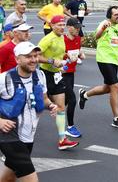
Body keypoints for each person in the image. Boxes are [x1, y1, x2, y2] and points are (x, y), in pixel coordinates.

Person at [0, 41, 57, 182]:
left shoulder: (40, 76)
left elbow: (43, 99)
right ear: (17, 59)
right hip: (8, 136)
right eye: (28, 57)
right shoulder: (4, 79)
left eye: (35, 56)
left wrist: (51, 105)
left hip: (28, 136)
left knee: (9, 177)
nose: (33, 60)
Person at [78, 6, 118, 129]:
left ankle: (84, 94)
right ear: (110, 16)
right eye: (115, 15)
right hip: (104, 58)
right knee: (115, 86)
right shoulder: (105, 23)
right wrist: (103, 28)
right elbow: (96, 37)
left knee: (108, 88)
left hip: (114, 60)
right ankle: (116, 119)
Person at [38, 15, 79, 150]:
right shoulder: (47, 39)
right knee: (36, 106)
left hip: (57, 75)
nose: (62, 28)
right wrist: (51, 61)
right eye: (59, 25)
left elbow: (60, 54)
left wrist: (68, 57)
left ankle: (62, 139)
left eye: (63, 25)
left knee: (61, 106)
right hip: (45, 75)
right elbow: (36, 55)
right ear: (52, 26)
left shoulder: (61, 37)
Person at [63, 18, 85, 138]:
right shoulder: (62, 40)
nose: (78, 29)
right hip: (61, 74)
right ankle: (70, 127)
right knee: (72, 100)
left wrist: (81, 54)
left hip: (71, 73)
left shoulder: (77, 39)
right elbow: (55, 56)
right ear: (68, 27)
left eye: (79, 27)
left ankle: (46, 107)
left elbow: (79, 50)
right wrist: (65, 58)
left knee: (64, 101)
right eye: (76, 27)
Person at [64, 0, 90, 65]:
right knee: (75, 39)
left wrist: (87, 12)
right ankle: (75, 55)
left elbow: (83, 13)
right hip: (74, 23)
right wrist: (72, 16)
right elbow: (64, 10)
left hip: (80, 23)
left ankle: (75, 54)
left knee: (80, 39)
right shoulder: (72, 2)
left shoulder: (84, 2)